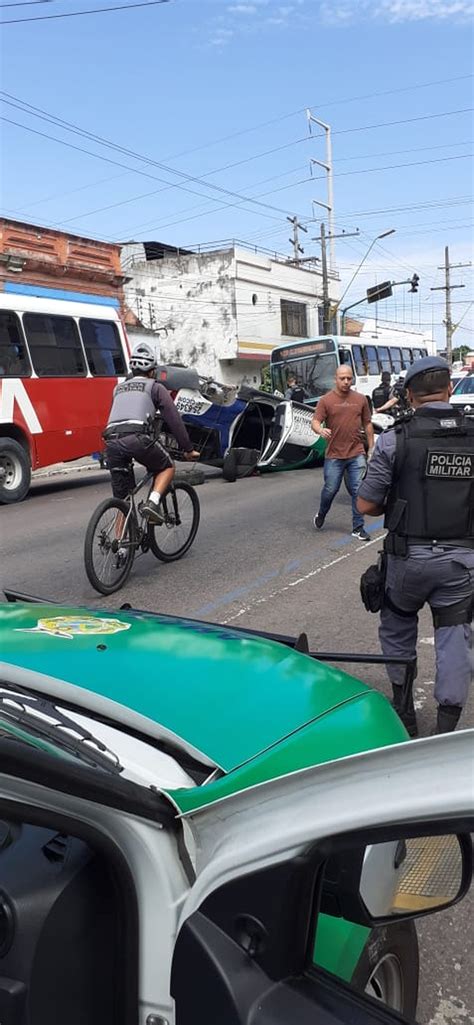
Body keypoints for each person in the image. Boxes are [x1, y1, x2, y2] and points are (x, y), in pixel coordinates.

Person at [357, 355, 474, 736]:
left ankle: (404, 713)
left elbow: (366, 505)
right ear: (450, 389)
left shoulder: (395, 439)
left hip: (407, 560)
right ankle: (444, 731)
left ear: (408, 394)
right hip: (461, 562)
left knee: (397, 629)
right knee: (455, 641)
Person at [103, 343, 199, 524]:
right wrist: (187, 448)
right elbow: (174, 420)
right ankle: (153, 503)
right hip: (137, 438)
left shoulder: (118, 389)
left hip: (111, 440)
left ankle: (121, 546)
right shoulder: (155, 387)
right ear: (152, 371)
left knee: (122, 499)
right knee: (167, 466)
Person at [311, 365, 374, 541]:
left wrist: (372, 447)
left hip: (356, 453)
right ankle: (322, 514)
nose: (346, 381)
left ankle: (358, 527)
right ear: (336, 379)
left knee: (358, 490)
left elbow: (368, 424)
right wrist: (320, 430)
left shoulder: (361, 399)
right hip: (334, 455)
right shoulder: (326, 400)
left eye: (349, 378)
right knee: (330, 490)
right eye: (342, 378)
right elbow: (315, 421)